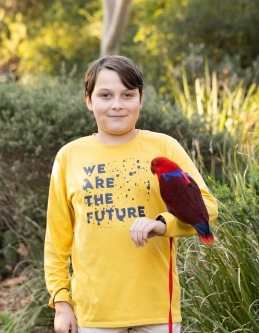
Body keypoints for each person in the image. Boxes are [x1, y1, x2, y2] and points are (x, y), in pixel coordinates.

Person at [44, 55, 218, 333]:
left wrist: (163, 224)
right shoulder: (69, 156)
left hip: (156, 309)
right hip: (95, 312)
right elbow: (57, 238)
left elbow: (207, 207)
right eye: (105, 95)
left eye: (127, 94)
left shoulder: (164, 147)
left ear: (140, 99)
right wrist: (61, 302)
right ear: (88, 100)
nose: (117, 104)